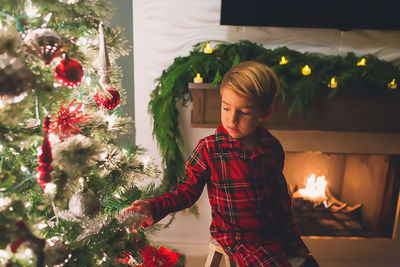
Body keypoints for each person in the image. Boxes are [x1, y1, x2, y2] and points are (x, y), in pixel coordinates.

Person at [121, 61, 318, 267]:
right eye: (226, 108)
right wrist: (153, 207)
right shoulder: (209, 150)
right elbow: (185, 191)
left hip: (273, 233)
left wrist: (292, 237)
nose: (232, 119)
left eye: (244, 112)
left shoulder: (272, 148)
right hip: (238, 237)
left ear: (265, 113)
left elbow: (280, 198)